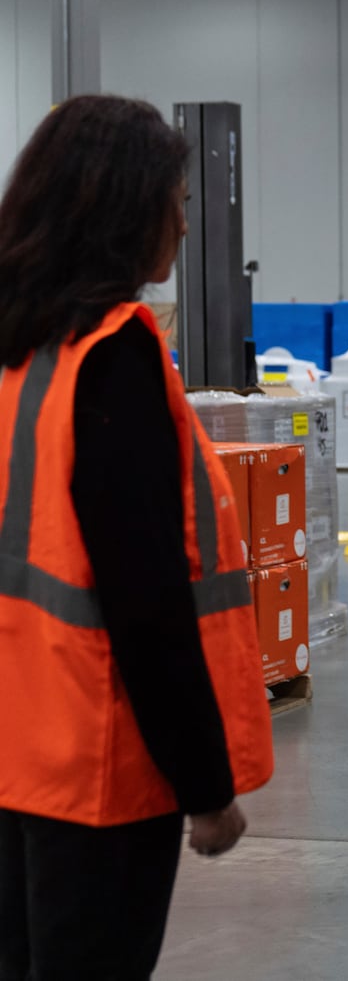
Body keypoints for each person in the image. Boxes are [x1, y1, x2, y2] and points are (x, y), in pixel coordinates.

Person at [0, 96, 273, 980]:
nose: (187, 227)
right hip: (94, 772)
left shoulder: (18, 347)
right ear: (125, 209)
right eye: (180, 202)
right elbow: (148, 599)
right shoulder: (113, 356)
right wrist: (206, 787)